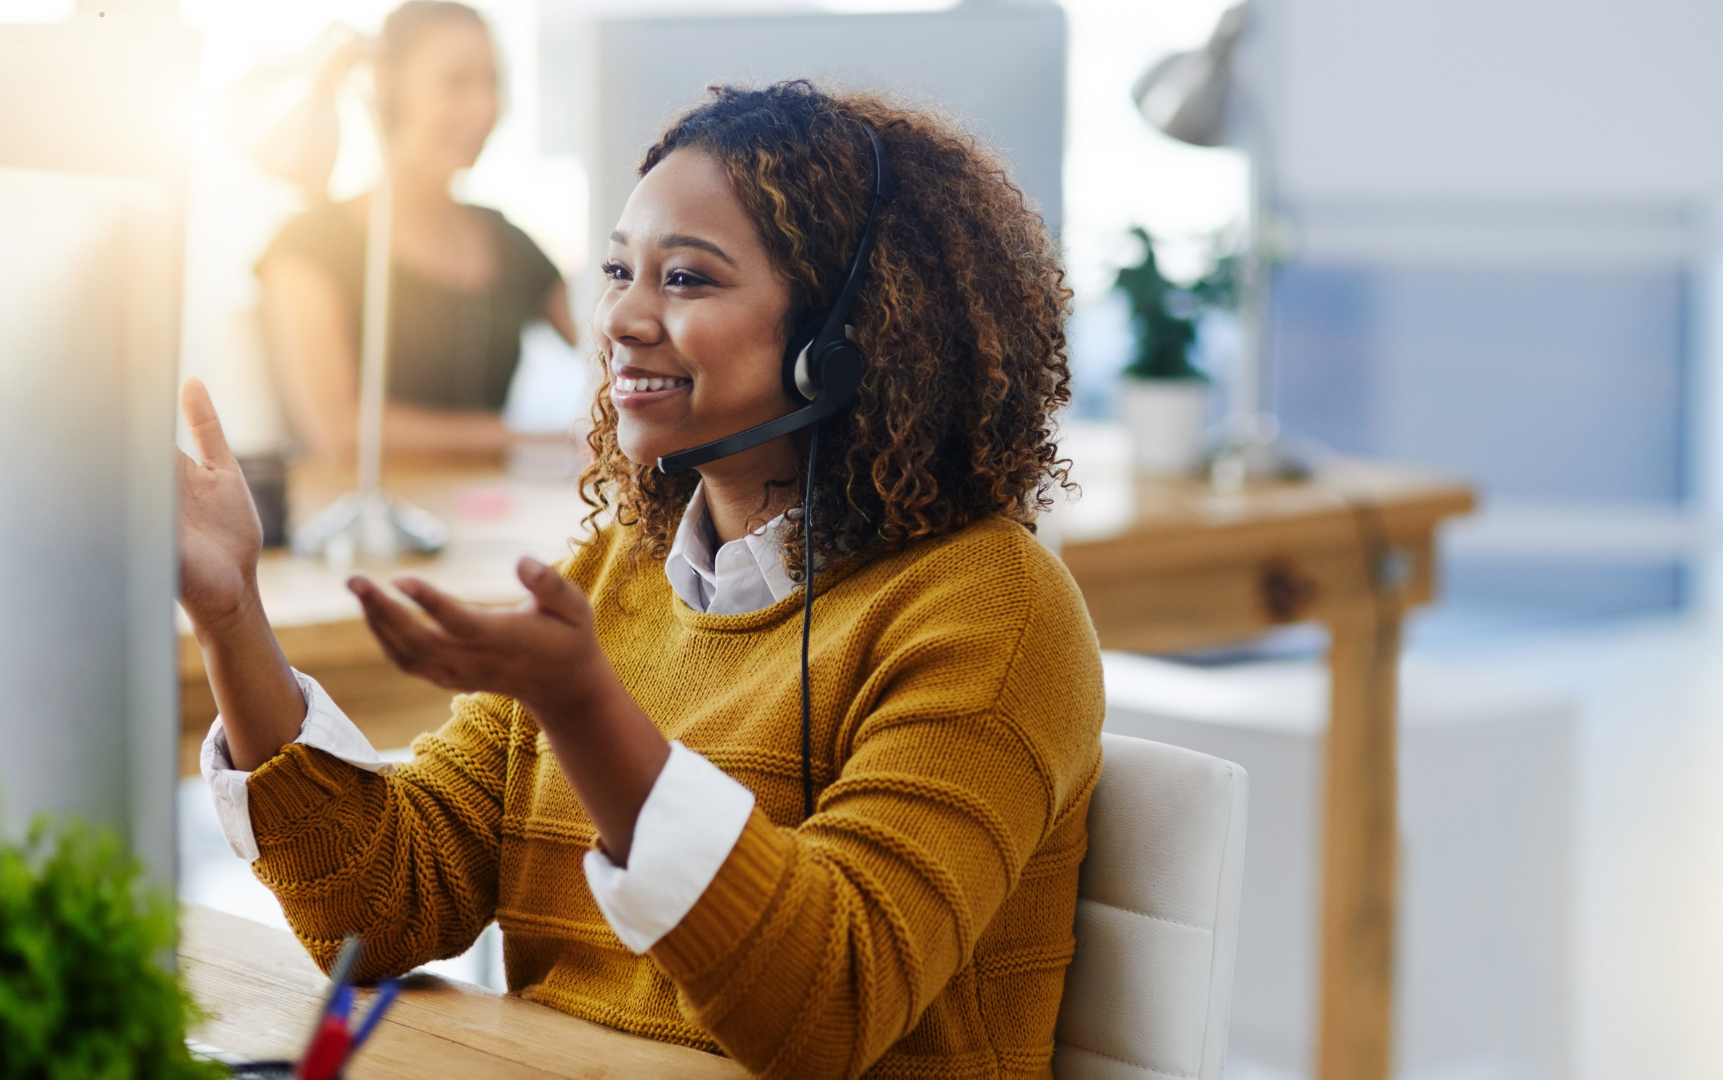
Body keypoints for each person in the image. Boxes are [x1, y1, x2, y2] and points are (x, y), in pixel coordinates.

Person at [178, 82, 1103, 1077]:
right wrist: (233, 615)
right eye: (619, 271)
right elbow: (380, 905)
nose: (622, 317)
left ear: (841, 339)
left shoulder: (991, 607)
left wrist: (581, 704)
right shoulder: (620, 574)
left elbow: (831, 1004)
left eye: (688, 279)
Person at [255, 1, 576, 464]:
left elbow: (608, 340)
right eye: (456, 82)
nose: (485, 107)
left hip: (494, 517)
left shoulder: (508, 240)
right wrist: (526, 438)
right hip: (354, 524)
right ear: (386, 87)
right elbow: (339, 431)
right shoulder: (310, 245)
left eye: (493, 83)